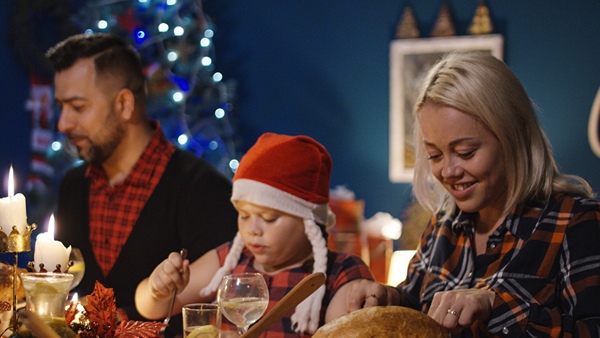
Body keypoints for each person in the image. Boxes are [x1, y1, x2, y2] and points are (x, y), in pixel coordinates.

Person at [345, 51, 600, 337]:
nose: (448, 171)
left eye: (466, 152)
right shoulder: (442, 226)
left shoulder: (577, 223)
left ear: (514, 137)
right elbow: (416, 311)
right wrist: (388, 300)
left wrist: (497, 305)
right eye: (434, 154)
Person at [46, 33, 238, 337]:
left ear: (124, 104)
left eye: (78, 107)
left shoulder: (203, 190)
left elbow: (224, 309)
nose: (63, 124)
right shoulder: (74, 186)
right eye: (61, 106)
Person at [135, 132, 375, 337]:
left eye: (269, 218)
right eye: (244, 215)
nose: (253, 229)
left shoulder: (341, 273)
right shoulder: (229, 259)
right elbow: (151, 309)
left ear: (309, 222)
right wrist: (157, 290)